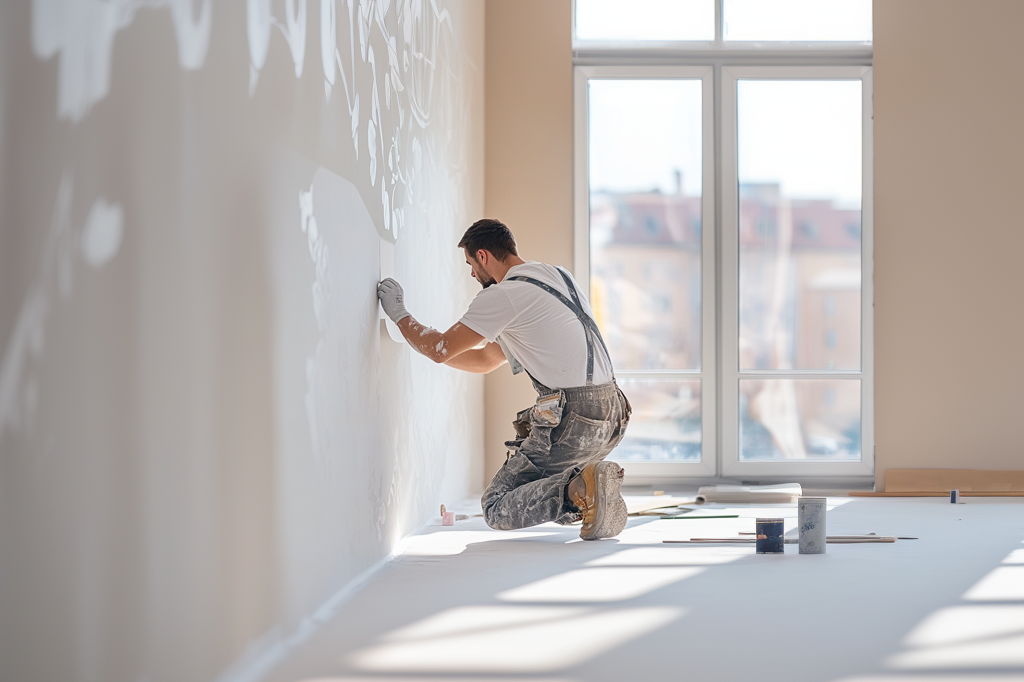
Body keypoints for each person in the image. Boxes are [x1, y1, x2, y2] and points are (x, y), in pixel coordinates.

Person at [376, 218, 632, 540]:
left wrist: (400, 315)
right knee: (544, 498)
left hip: (577, 419)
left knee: (496, 506)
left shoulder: (504, 296)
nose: (471, 274)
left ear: (483, 256)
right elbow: (485, 359)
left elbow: (440, 348)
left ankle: (580, 485)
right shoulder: (558, 277)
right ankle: (589, 488)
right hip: (613, 414)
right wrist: (424, 348)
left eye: (470, 264)